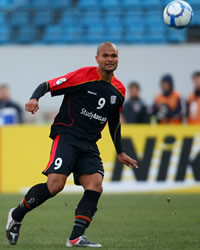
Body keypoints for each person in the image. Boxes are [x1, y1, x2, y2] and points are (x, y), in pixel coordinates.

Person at [6, 42, 138, 248]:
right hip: (67, 135)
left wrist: (120, 151)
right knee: (55, 185)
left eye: (114, 56)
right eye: (105, 55)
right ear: (97, 59)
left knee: (95, 184)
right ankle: (16, 214)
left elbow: (114, 121)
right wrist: (34, 98)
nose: (110, 59)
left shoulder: (119, 90)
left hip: (89, 143)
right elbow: (47, 85)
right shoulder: (82, 76)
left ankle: (75, 237)